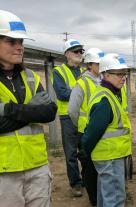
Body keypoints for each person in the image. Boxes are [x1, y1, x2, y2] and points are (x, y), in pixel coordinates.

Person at [0, 10, 57, 206]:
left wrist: (8, 109)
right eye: (11, 41)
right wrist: (31, 110)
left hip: (37, 165)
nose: (19, 47)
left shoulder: (30, 76)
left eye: (21, 42)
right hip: (4, 171)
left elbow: (49, 111)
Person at [81, 53, 132, 207]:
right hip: (109, 156)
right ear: (106, 75)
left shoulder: (110, 94)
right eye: (119, 74)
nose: (123, 78)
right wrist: (84, 150)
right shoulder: (105, 100)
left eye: (124, 74)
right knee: (115, 198)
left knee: (106, 196)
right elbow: (93, 132)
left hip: (110, 155)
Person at [68, 48, 104, 206]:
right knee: (89, 169)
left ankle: (103, 196)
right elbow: (72, 110)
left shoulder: (104, 80)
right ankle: (94, 200)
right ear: (89, 64)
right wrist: (81, 127)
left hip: (103, 132)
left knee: (101, 165)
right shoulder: (81, 83)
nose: (101, 66)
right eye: (98, 63)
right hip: (86, 133)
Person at [52, 38, 85, 197]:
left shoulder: (84, 72)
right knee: (71, 153)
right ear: (67, 54)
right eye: (76, 51)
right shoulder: (59, 71)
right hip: (67, 118)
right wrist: (81, 92)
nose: (79, 54)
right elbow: (62, 94)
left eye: (81, 51)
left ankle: (86, 179)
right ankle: (76, 183)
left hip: (84, 118)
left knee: (85, 151)